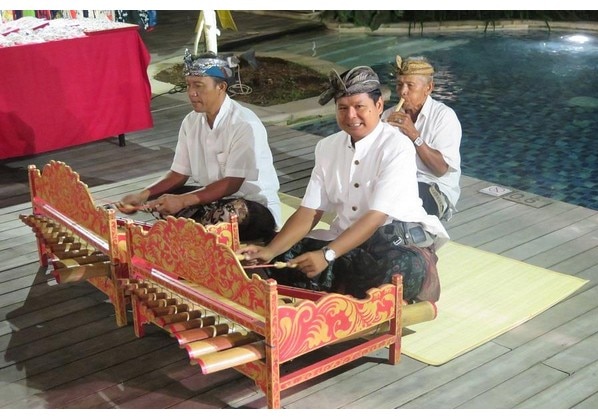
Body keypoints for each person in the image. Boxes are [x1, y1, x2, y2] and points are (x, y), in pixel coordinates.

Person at [239, 66, 449, 303]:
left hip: (391, 243)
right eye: (343, 108)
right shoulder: (327, 147)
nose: (351, 116)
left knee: (403, 269)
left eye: (359, 107)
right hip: (342, 241)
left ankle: (334, 288)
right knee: (273, 254)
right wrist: (270, 252)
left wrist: (327, 254)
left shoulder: (397, 146)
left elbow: (376, 217)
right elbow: (310, 210)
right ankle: (338, 289)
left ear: (378, 106)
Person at [117, 49, 281, 242]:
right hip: (212, 200)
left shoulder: (245, 124)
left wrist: (182, 201)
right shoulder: (190, 121)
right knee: (167, 200)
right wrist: (142, 195)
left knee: (230, 213)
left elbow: (231, 183)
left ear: (221, 86)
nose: (191, 93)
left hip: (252, 205)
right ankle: (199, 231)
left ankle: (196, 233)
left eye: (199, 86)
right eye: (188, 85)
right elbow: (178, 174)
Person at [382, 55, 462, 220]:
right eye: (399, 85)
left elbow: (440, 170)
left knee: (405, 200)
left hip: (433, 187)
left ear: (428, 88)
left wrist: (413, 135)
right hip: (396, 183)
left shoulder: (444, 117)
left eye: (410, 85)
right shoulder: (388, 116)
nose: (402, 91)